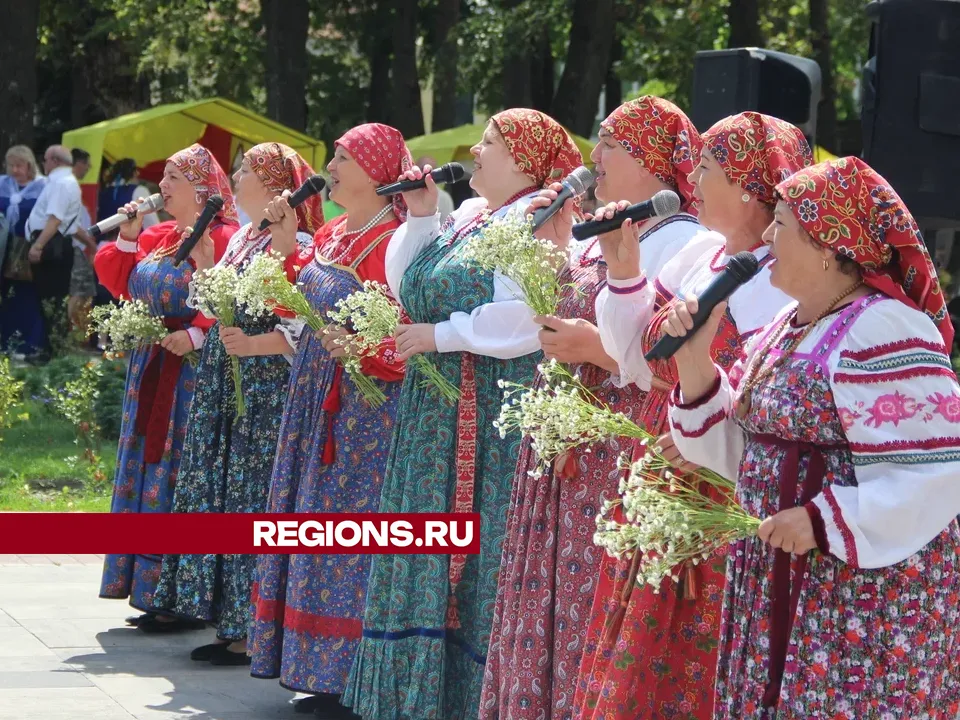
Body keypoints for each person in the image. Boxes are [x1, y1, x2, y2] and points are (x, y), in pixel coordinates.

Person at [663, 155, 960, 718]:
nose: (768, 236)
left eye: (782, 224)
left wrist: (824, 518)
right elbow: (748, 456)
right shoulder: (790, 324)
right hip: (782, 576)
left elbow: (938, 471)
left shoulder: (884, 328)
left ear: (827, 246)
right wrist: (693, 359)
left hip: (852, 599)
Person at [341, 109, 582, 720]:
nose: (474, 149)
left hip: (486, 409)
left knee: (478, 552)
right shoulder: (473, 216)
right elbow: (407, 281)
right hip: (436, 409)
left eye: (491, 143)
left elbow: (526, 320)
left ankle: (468, 701)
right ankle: (411, 701)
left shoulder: (539, 218)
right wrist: (423, 214)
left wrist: (442, 335)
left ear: (525, 161)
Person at [479, 96, 713, 720]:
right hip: (568, 439)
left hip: (618, 441)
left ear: (651, 160)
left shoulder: (686, 241)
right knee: (549, 591)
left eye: (611, 143)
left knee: (589, 594)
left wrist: (595, 350)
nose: (595, 156)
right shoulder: (608, 227)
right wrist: (557, 249)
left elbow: (673, 355)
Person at [574, 112, 811, 719]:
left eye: (709, 168)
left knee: (689, 660)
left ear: (753, 187)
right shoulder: (703, 261)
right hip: (661, 472)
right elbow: (637, 363)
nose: (695, 179)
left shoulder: (790, 286)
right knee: (635, 651)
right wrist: (623, 268)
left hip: (717, 495)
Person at [248, 124, 410, 718]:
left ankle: (351, 675)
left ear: (376, 170)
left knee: (351, 527)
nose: (332, 166)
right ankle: (314, 668)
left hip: (369, 408)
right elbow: (294, 308)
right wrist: (289, 250)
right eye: (333, 155)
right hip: (317, 391)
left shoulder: (398, 241)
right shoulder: (337, 233)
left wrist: (365, 350)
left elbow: (405, 335)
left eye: (344, 157)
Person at [149, 143, 324, 661]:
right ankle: (228, 618)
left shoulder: (298, 240)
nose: (234, 175)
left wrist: (253, 345)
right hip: (229, 378)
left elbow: (302, 322)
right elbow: (216, 306)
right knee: (225, 492)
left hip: (266, 387)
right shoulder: (246, 238)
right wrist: (204, 263)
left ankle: (252, 628)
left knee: (253, 497)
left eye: (245, 169)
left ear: (272, 183)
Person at [97, 144, 239, 626]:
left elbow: (232, 294)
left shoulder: (224, 236)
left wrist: (198, 331)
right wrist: (129, 237)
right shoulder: (158, 235)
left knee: (180, 466)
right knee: (146, 461)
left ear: (201, 187)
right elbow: (122, 286)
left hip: (192, 372)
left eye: (174, 176)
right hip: (152, 365)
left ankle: (178, 594)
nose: (163, 186)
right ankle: (143, 587)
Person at [23, 145, 83, 361]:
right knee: (52, 301)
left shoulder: (61, 183)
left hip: (51, 246)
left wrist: (38, 245)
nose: (43, 164)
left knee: (52, 302)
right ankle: (53, 350)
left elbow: (55, 218)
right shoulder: (66, 182)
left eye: (45, 160)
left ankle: (54, 353)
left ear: (54, 161)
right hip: (55, 245)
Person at [0, 144, 47, 356]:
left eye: (19, 165)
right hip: (5, 249)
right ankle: (7, 342)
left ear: (29, 165)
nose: (15, 170)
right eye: (11, 165)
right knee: (7, 294)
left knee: (29, 296)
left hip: (30, 249)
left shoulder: (43, 186)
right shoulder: (2, 184)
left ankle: (31, 344)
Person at [68, 149, 99, 341]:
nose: (88, 168)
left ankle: (76, 335)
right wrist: (91, 244)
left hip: (78, 247)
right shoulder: (69, 186)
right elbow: (72, 224)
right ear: (77, 163)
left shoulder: (71, 186)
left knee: (82, 292)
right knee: (79, 292)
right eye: (86, 163)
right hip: (76, 246)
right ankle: (71, 335)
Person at [416, 155, 455, 221]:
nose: (425, 173)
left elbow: (447, 225)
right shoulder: (407, 194)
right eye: (422, 168)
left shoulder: (444, 197)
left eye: (430, 170)